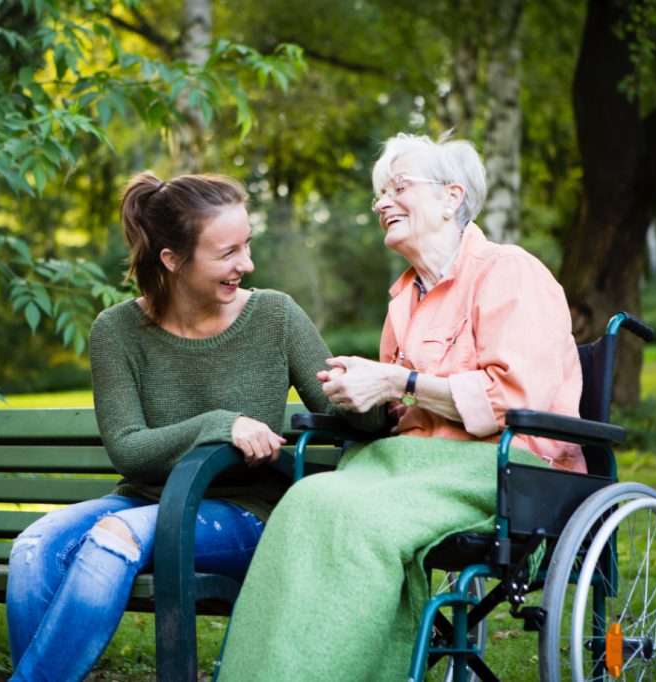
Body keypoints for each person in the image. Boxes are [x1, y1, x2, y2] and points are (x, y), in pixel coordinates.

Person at [217, 132, 583, 680]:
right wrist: (363, 390)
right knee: (304, 502)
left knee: (358, 519)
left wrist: (398, 381)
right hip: (406, 466)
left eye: (398, 187)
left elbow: (512, 400)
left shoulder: (509, 272)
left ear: (450, 197)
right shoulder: (404, 300)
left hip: (505, 468)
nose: (382, 203)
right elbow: (401, 404)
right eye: (378, 194)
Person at [5, 172, 380, 682]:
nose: (246, 264)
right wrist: (221, 424)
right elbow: (129, 451)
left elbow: (348, 416)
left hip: (248, 513)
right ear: (172, 260)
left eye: (246, 245)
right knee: (35, 547)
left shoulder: (275, 315)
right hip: (145, 501)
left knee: (115, 537)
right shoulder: (116, 331)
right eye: (227, 253)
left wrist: (373, 395)